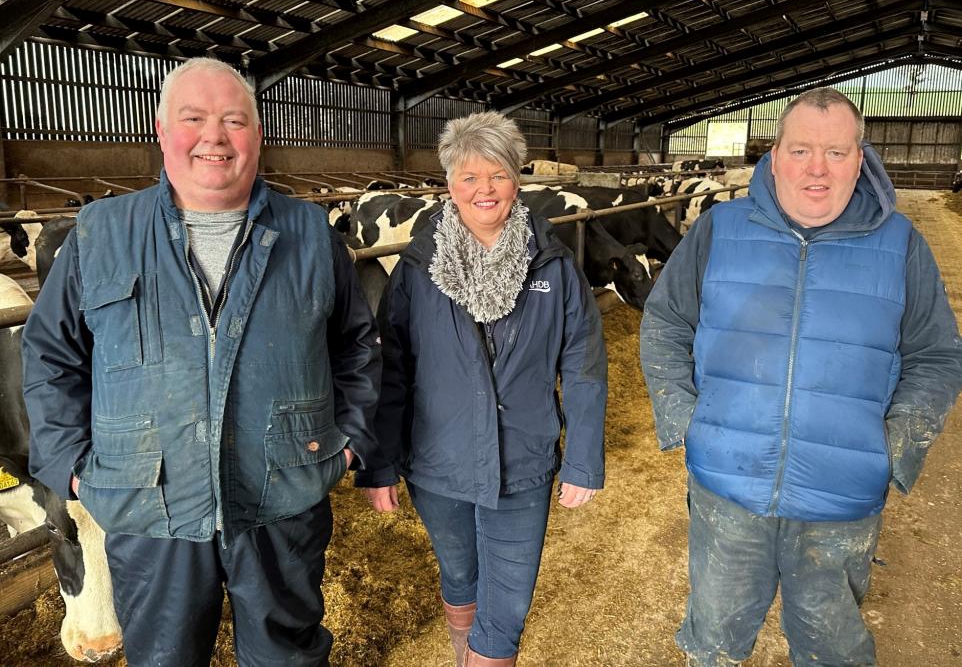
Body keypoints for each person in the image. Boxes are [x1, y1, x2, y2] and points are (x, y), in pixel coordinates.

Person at [23, 57, 381, 667]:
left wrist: (348, 442)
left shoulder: (312, 234)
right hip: (147, 505)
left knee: (286, 658)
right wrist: (71, 468)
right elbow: (50, 356)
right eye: (194, 118)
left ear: (258, 136)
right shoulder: (99, 233)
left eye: (234, 120)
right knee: (163, 658)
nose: (214, 135)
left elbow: (358, 346)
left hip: (281, 497)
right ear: (162, 131)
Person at [639, 86, 962, 666]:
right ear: (774, 154)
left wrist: (894, 445)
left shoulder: (900, 245)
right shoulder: (719, 230)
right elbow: (664, 321)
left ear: (860, 160)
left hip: (842, 498)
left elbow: (937, 356)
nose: (818, 169)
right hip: (726, 488)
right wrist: (687, 419)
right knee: (713, 641)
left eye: (837, 153)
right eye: (801, 150)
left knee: (832, 648)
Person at [356, 111, 607, 666]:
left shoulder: (555, 264)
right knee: (461, 576)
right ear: (449, 186)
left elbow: (583, 363)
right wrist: (378, 464)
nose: (484, 189)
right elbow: (391, 369)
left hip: (523, 460)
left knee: (507, 609)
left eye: (498, 174)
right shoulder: (417, 269)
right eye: (469, 177)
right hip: (437, 461)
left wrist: (584, 460)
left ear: (518, 180)